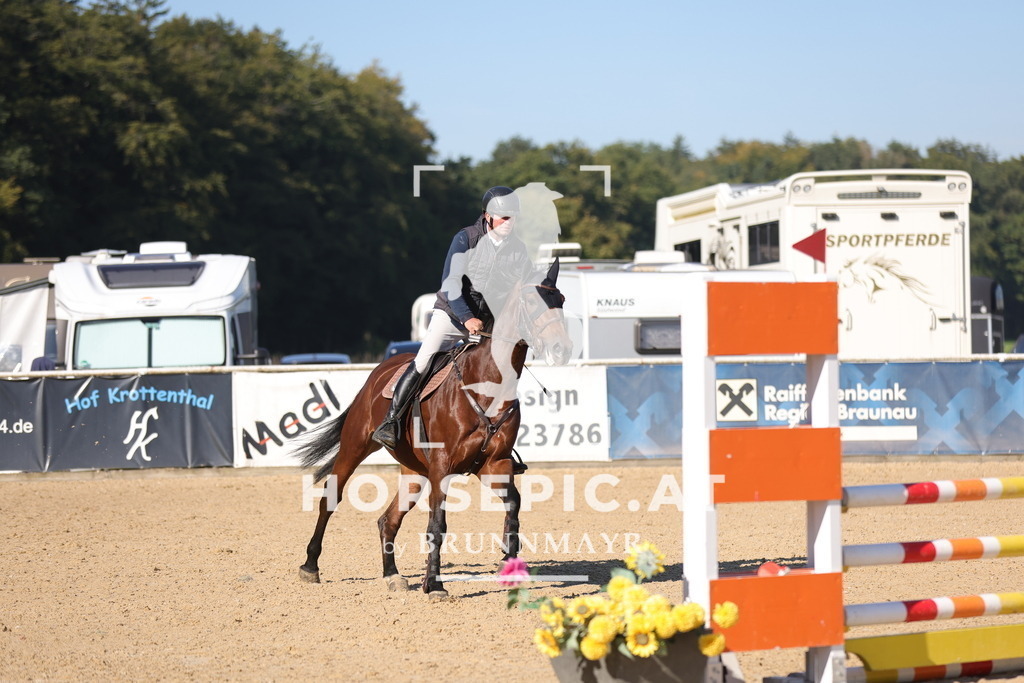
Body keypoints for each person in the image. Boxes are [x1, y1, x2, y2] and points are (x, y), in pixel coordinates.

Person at [371, 186, 535, 452]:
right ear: (487, 216)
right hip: (452, 315)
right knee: (424, 361)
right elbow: (451, 283)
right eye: (504, 217)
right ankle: (391, 422)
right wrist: (467, 317)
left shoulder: (518, 249)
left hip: (486, 324)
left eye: (512, 217)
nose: (509, 222)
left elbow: (523, 288)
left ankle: (498, 443)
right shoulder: (466, 239)